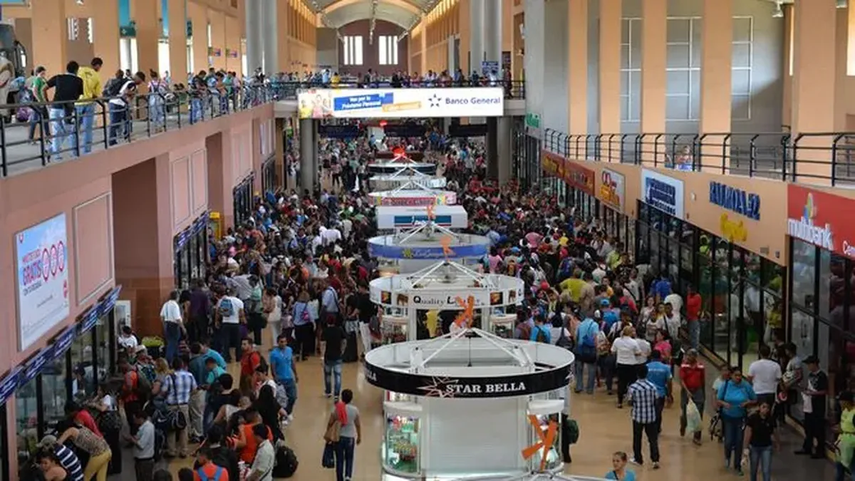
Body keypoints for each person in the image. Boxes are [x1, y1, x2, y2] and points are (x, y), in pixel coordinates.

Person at [717, 366, 756, 475]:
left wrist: (747, 403)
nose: (738, 378)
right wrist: (724, 404)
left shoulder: (745, 386)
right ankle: (727, 456)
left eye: (740, 375)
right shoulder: (725, 385)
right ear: (731, 376)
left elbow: (755, 399)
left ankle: (737, 465)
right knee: (729, 441)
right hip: (728, 416)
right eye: (736, 375)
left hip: (741, 417)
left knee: (739, 441)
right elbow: (718, 399)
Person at [45, 61, 84, 160]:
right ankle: (53, 151)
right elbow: (79, 95)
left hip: (55, 107)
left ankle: (54, 153)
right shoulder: (79, 80)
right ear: (76, 70)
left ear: (66, 69)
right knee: (69, 130)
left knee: (57, 131)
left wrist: (47, 101)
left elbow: (43, 88)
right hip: (68, 109)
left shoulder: (58, 77)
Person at [626, 364, 661, 469]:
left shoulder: (633, 388)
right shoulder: (652, 386)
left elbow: (629, 402)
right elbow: (656, 401)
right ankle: (655, 460)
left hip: (638, 417)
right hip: (651, 417)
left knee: (637, 438)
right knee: (653, 439)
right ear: (647, 373)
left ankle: (638, 459)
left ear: (637, 374)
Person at [161, 357, 198, 458]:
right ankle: (184, 451)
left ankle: (171, 451)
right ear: (182, 365)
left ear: (172, 366)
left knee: (171, 428)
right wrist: (186, 395)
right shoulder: (189, 375)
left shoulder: (169, 377)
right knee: (184, 427)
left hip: (171, 406)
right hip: (184, 405)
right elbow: (195, 390)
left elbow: (163, 391)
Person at [796, 355, 828, 459]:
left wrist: (813, 394)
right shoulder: (810, 375)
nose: (808, 367)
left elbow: (824, 391)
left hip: (818, 407)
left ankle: (820, 450)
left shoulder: (822, 376)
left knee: (818, 429)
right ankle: (807, 447)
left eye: (809, 364)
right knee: (808, 427)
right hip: (809, 405)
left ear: (814, 364)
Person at [327, 389, 361, 481]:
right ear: (351, 398)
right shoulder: (355, 410)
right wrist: (359, 436)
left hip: (338, 437)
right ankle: (348, 476)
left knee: (339, 459)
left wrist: (328, 433)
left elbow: (330, 422)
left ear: (342, 398)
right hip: (350, 438)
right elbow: (357, 424)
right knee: (349, 458)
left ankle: (339, 478)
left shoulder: (336, 408)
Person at [743, 400, 779, 481]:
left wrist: (777, 443)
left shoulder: (771, 419)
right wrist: (745, 447)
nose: (766, 409)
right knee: (754, 469)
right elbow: (748, 433)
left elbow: (774, 432)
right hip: (754, 447)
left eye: (767, 407)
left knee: (766, 470)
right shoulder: (753, 418)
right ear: (759, 408)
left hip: (766, 447)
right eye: (763, 407)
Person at [75, 57, 102, 154]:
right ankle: (87, 151)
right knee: (88, 129)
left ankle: (74, 151)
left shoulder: (80, 70)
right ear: (98, 66)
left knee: (74, 129)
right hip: (89, 103)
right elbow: (96, 94)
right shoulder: (96, 76)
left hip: (77, 103)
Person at [679, 349, 705, 444]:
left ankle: (697, 437)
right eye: (687, 355)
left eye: (690, 356)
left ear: (695, 357)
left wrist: (703, 392)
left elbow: (702, 379)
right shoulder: (684, 366)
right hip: (686, 391)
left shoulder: (700, 366)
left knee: (698, 414)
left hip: (698, 391)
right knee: (686, 413)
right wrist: (687, 391)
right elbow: (682, 380)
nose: (688, 358)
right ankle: (683, 424)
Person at [270, 333, 299, 423]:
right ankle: (283, 417)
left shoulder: (289, 350)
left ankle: (288, 412)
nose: (283, 343)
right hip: (280, 379)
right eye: (281, 342)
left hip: (289, 378)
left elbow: (292, 363)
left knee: (293, 397)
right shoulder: (274, 354)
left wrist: (296, 374)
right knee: (282, 400)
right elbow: (272, 366)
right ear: (278, 342)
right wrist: (275, 377)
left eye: (285, 342)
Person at [612, 325, 641, 408]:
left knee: (621, 383)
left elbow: (613, 351)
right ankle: (631, 399)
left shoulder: (617, 340)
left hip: (621, 364)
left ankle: (620, 402)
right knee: (632, 383)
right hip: (632, 365)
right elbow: (638, 352)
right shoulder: (633, 342)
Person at [125, 408, 156, 481]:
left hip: (144, 460)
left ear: (141, 418)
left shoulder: (147, 428)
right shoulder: (144, 427)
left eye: (135, 419)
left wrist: (131, 439)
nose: (134, 421)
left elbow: (141, 444)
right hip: (140, 459)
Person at [646, 350, 672, 433]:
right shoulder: (666, 368)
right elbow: (669, 382)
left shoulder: (646, 367)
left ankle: (650, 427)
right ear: (660, 357)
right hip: (660, 394)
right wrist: (669, 394)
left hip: (648, 393)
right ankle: (657, 428)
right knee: (658, 412)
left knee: (649, 411)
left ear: (651, 357)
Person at [216, 288, 245, 362]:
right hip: (235, 323)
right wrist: (243, 321)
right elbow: (241, 314)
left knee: (226, 341)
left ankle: (227, 357)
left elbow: (218, 312)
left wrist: (216, 321)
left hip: (225, 322)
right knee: (238, 341)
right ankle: (238, 357)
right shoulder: (239, 301)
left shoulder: (222, 300)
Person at [322, 314, 346, 399]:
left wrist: (322, 356)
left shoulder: (325, 331)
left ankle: (328, 392)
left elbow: (323, 344)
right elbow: (344, 340)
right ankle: (336, 394)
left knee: (328, 375)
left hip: (328, 356)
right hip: (338, 356)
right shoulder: (339, 330)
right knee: (338, 375)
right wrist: (342, 350)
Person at [574, 314, 600, 395]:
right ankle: (589, 389)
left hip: (580, 348)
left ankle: (579, 386)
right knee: (591, 369)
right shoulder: (595, 325)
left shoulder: (580, 324)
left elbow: (576, 337)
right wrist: (597, 349)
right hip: (590, 349)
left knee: (579, 369)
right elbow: (595, 337)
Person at [835, 391, 855, 481]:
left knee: (853, 468)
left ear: (847, 401)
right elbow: (842, 424)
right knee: (839, 466)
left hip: (852, 444)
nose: (840, 403)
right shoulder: (844, 411)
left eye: (841, 401)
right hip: (842, 442)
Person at [161, 290, 185, 363]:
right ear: (177, 297)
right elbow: (177, 318)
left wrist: (164, 325)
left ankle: (175, 359)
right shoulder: (175, 305)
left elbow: (162, 316)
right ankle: (169, 360)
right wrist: (183, 327)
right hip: (174, 325)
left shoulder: (166, 304)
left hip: (167, 324)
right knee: (172, 343)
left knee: (171, 343)